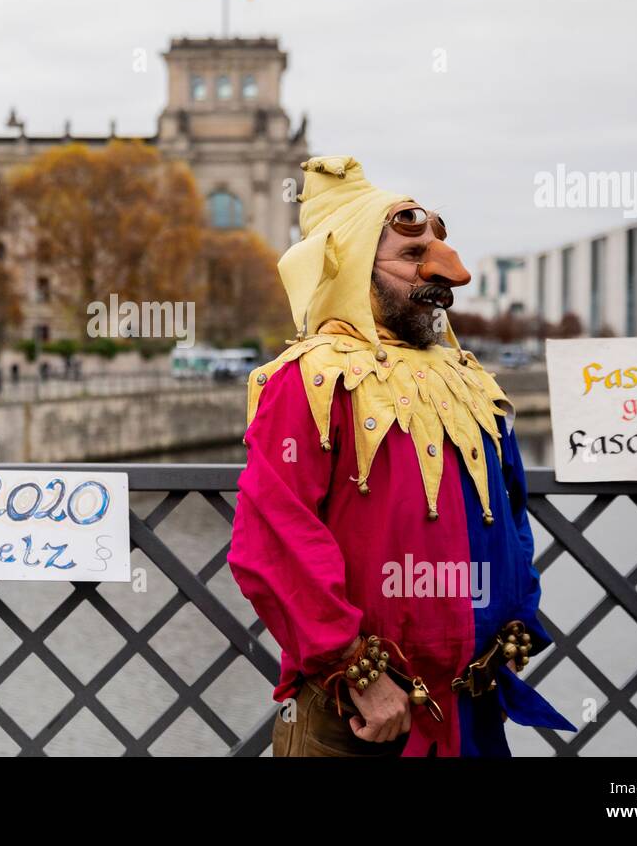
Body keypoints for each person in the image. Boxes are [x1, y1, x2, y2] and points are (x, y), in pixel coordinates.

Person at [228, 156, 576, 757]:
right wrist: (356, 671)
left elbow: (512, 514)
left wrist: (517, 615)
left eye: (438, 249)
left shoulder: (470, 380)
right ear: (357, 264)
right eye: (413, 256)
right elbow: (272, 540)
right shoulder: (309, 380)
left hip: (470, 711)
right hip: (360, 718)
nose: (446, 273)